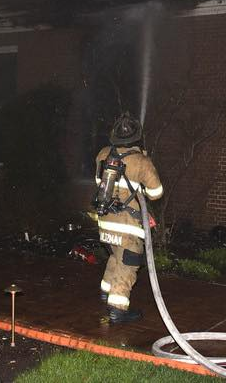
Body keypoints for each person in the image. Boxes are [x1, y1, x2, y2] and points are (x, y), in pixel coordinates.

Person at [94, 112, 163, 324]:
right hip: (128, 225)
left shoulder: (103, 154)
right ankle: (117, 309)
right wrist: (143, 167)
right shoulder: (141, 161)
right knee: (128, 264)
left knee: (116, 256)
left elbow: (99, 183)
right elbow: (156, 192)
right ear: (137, 136)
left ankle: (106, 292)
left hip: (105, 220)